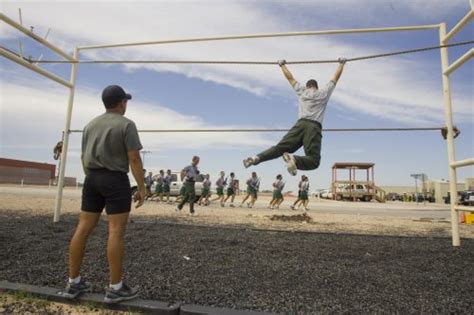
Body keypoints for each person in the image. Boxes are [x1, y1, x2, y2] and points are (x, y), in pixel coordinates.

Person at [64, 85, 144, 303]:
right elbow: (134, 158)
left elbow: (83, 156)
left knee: (82, 229)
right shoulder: (127, 124)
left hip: (91, 178)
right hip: (115, 179)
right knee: (115, 231)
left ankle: (73, 282)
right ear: (121, 103)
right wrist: (142, 188)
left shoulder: (90, 125)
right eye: (125, 101)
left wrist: (92, 177)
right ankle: (115, 287)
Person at [243, 59, 346, 176]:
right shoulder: (323, 93)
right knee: (314, 161)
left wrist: (282, 65)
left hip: (300, 125)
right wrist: (341, 64)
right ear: (316, 87)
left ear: (307, 86)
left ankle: (256, 158)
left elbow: (290, 78)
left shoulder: (302, 91)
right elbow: (335, 78)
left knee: (279, 148)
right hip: (313, 127)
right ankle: (294, 160)